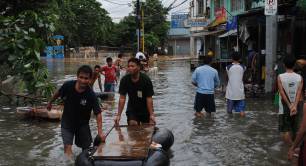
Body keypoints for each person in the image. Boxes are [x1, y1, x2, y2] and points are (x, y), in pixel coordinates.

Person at [46, 65, 105, 159]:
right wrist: (50, 102)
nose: (83, 80)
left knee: (86, 150)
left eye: (86, 78)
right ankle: (69, 162)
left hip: (83, 124)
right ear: (77, 77)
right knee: (67, 147)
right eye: (81, 77)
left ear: (89, 80)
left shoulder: (91, 95)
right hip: (67, 123)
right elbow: (58, 93)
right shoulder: (68, 85)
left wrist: (100, 131)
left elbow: (98, 113)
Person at [114, 58, 155, 125]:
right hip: (132, 108)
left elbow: (149, 98)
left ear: (138, 67)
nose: (130, 68)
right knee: (133, 124)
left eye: (132, 66)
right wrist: (118, 115)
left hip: (145, 109)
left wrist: (151, 115)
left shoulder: (146, 80)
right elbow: (122, 98)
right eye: (129, 66)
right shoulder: (124, 80)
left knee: (147, 130)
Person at [277, 55, 303, 147]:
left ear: (284, 65)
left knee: (285, 131)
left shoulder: (280, 77)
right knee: (295, 129)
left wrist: (289, 105)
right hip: (297, 106)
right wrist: (294, 106)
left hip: (284, 107)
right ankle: (295, 149)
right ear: (294, 65)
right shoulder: (299, 77)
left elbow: (282, 93)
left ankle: (292, 149)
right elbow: (299, 93)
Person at [225, 52, 246, 117]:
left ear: (232, 58)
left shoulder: (227, 67)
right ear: (240, 59)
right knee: (241, 111)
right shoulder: (243, 67)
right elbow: (243, 77)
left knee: (229, 111)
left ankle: (231, 124)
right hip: (240, 92)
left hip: (230, 93)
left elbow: (226, 78)